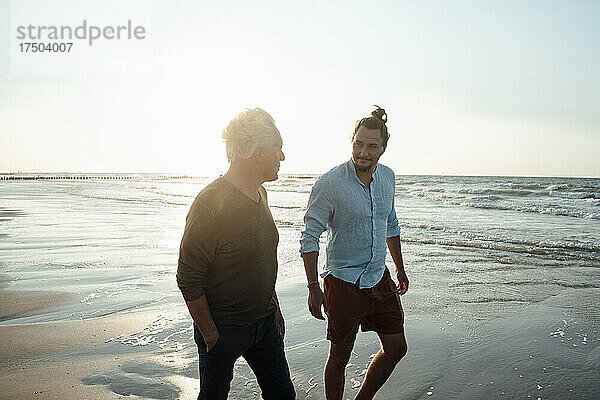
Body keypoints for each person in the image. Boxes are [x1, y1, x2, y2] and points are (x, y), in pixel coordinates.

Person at [177, 108, 296, 400]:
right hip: (223, 329)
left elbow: (260, 259)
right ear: (258, 152)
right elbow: (188, 276)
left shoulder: (261, 194)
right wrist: (209, 334)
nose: (281, 158)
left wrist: (274, 305)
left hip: (265, 324)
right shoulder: (210, 204)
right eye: (277, 150)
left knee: (283, 397)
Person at [300, 106, 409, 400]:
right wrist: (313, 287)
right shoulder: (330, 183)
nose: (363, 152)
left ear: (383, 148)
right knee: (339, 357)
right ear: (352, 141)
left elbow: (390, 222)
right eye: (358, 144)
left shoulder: (388, 177)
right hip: (343, 282)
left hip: (378, 278)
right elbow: (310, 236)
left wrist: (399, 267)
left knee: (397, 348)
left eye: (372, 146)